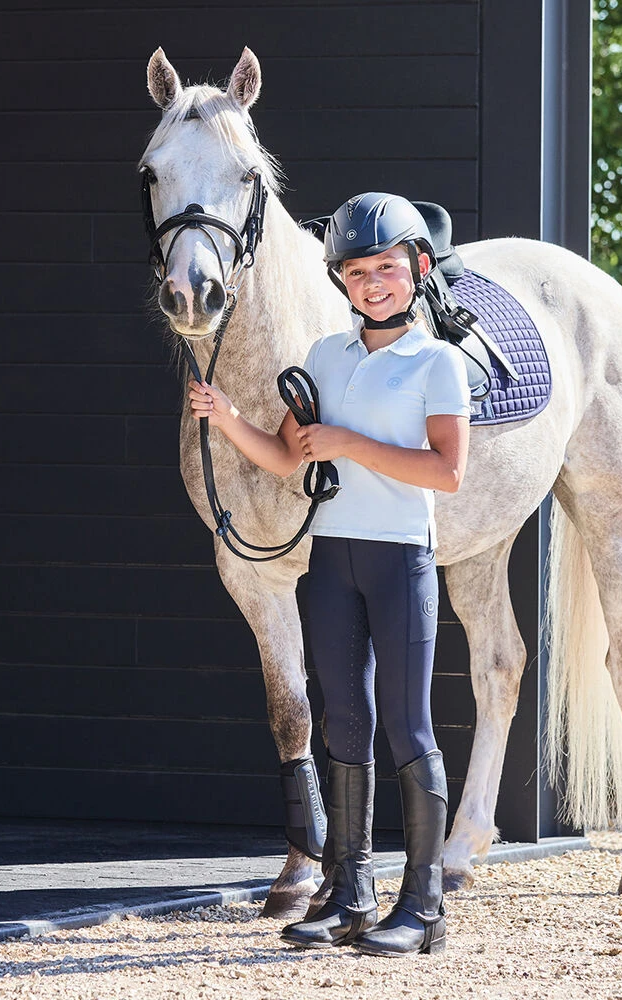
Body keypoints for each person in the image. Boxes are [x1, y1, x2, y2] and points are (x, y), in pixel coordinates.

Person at [188, 193, 470, 957]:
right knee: (344, 724)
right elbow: (287, 457)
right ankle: (349, 895)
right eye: (356, 270)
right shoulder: (323, 356)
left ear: (415, 268)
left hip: (399, 559)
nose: (372, 282)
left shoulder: (436, 361)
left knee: (407, 726)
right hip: (331, 561)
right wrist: (223, 417)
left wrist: (346, 439)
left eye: (385, 267)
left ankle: (423, 908)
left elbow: (445, 471)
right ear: (339, 279)